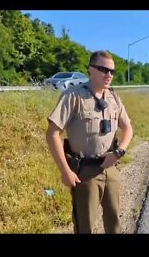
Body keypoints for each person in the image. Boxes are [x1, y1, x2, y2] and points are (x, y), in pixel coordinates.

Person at [46, 50, 133, 234]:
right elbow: (53, 133)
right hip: (85, 172)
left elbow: (128, 129)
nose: (108, 74)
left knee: (114, 220)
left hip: (111, 166)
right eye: (103, 69)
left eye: (112, 71)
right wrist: (65, 171)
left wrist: (118, 152)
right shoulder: (74, 96)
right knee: (85, 225)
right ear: (90, 70)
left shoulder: (114, 98)